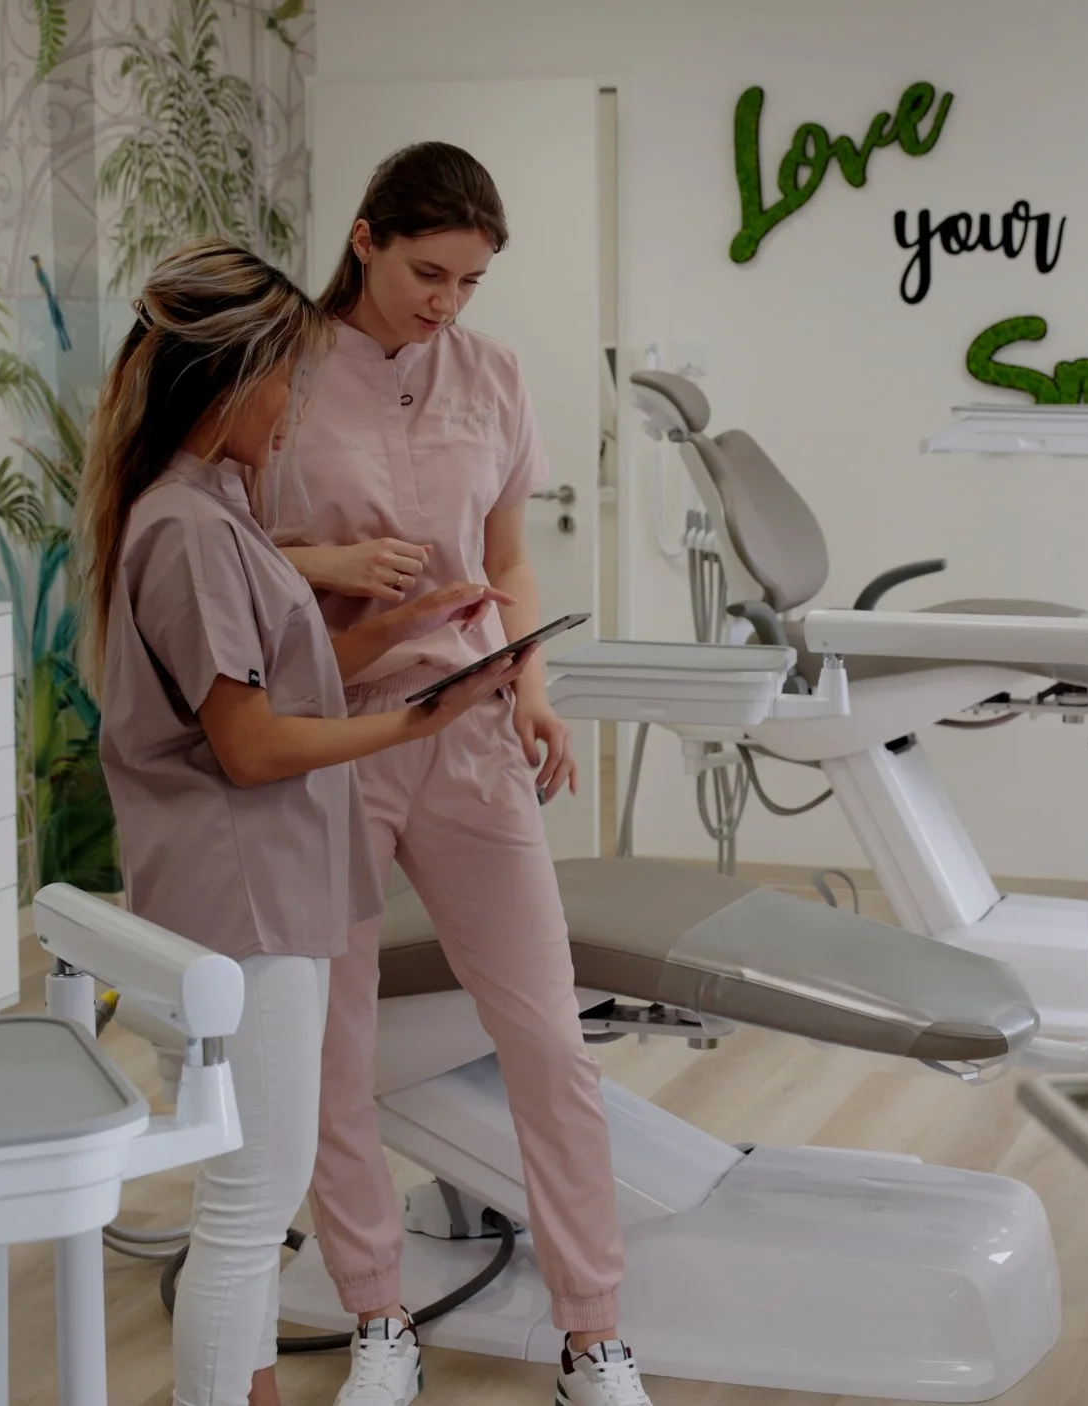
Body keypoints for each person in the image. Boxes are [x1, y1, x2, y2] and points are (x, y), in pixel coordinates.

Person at [81, 238, 531, 1406]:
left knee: (247, 1192)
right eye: (283, 376)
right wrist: (414, 723)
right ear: (228, 380)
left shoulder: (210, 505)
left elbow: (263, 682)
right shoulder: (181, 526)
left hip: (257, 890)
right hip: (245, 904)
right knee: (248, 1210)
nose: (294, 407)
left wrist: (403, 632)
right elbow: (251, 742)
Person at [267, 143, 651, 1406]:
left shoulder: (491, 374)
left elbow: (508, 557)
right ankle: (380, 1316)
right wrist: (333, 571)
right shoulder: (274, 371)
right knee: (334, 1039)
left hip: (472, 725)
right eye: (429, 271)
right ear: (365, 238)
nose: (447, 301)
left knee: (547, 1033)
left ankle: (593, 1333)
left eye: (472, 280)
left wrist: (532, 687)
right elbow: (215, 556)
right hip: (330, 734)